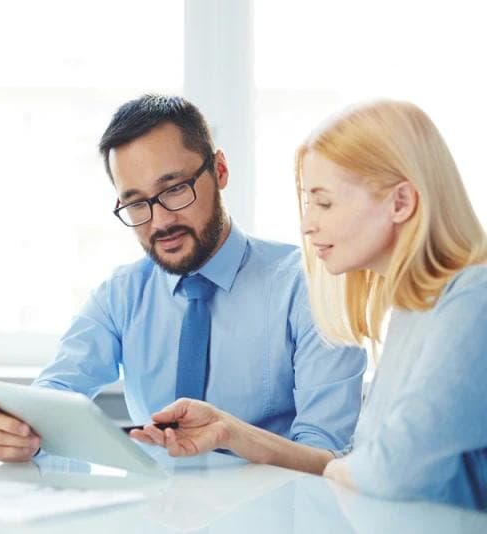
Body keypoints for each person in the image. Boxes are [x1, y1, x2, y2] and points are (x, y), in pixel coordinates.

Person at [0, 94, 366, 463]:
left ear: (221, 170)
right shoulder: (121, 295)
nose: (160, 221)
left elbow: (326, 453)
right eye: (136, 203)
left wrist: (232, 434)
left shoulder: (312, 287)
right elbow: (57, 395)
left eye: (174, 190)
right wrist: (19, 432)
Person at [131, 99, 487, 509]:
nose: (307, 224)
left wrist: (347, 469)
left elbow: (388, 470)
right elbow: (356, 465)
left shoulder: (472, 300)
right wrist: (230, 431)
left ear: (401, 202)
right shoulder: (417, 308)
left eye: (324, 201)